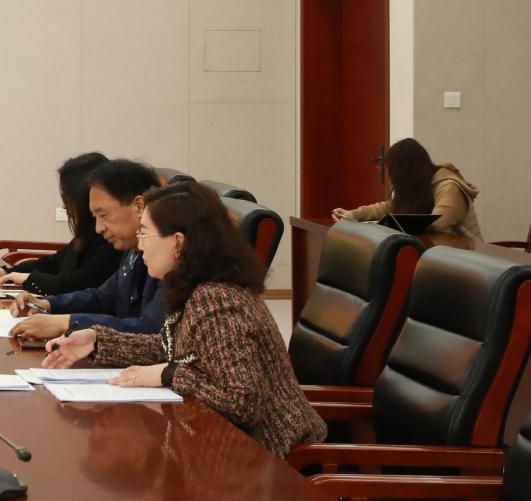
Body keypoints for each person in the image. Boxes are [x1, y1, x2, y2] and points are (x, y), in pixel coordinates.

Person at [42, 180, 326, 455]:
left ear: (178, 241)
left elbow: (242, 401)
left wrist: (168, 374)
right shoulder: (194, 286)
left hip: (274, 459)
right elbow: (173, 348)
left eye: (145, 233)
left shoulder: (217, 300)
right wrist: (97, 341)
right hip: (230, 448)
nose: (140, 244)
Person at [7, 158, 164, 346]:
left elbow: (153, 331)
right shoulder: (132, 250)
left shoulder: (171, 257)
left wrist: (67, 322)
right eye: (95, 217)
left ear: (139, 206)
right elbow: (104, 297)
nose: (98, 228)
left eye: (104, 215)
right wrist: (47, 304)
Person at [0, 153, 119, 296]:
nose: (63, 206)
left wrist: (29, 279)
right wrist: (8, 273)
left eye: (67, 198)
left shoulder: (111, 240)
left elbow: (77, 284)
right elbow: (53, 263)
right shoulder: (88, 233)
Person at [333, 138, 483, 239]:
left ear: (405, 173)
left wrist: (391, 223)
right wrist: (353, 214)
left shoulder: (449, 187)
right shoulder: (420, 185)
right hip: (440, 254)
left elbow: (436, 223)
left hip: (469, 260)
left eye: (393, 173)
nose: (392, 180)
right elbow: (389, 207)